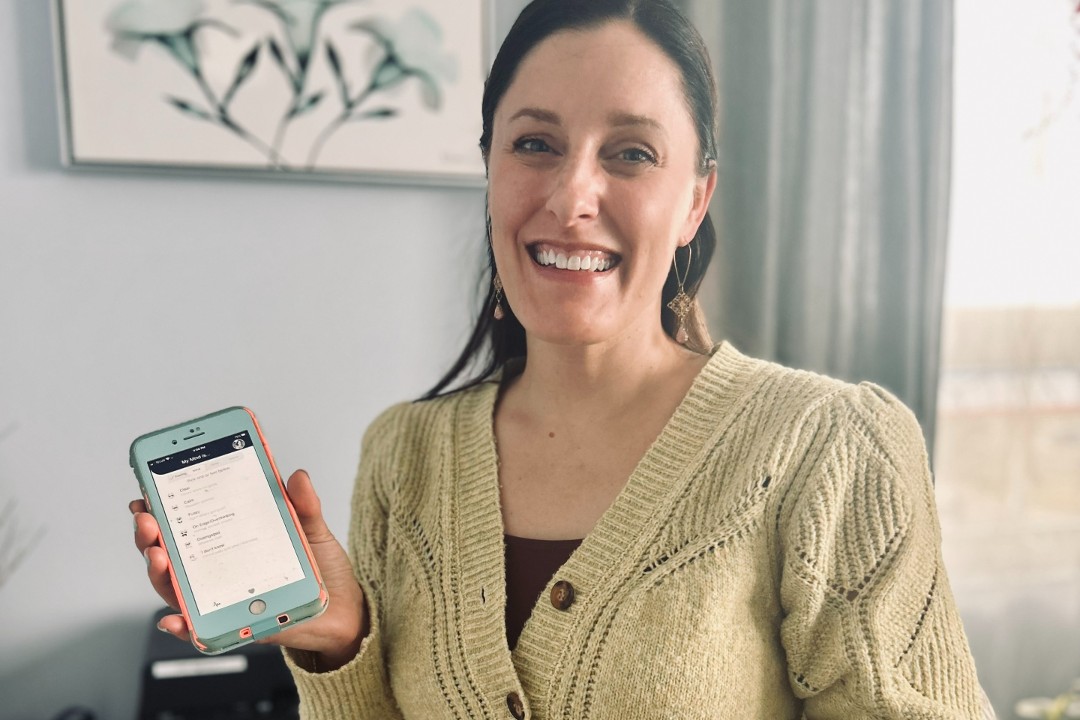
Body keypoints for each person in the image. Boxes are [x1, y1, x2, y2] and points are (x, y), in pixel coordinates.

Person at [131, 0, 992, 717]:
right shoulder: (404, 455)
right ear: (489, 167)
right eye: (535, 144)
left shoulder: (832, 447)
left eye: (631, 154)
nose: (571, 197)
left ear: (696, 200)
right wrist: (343, 643)